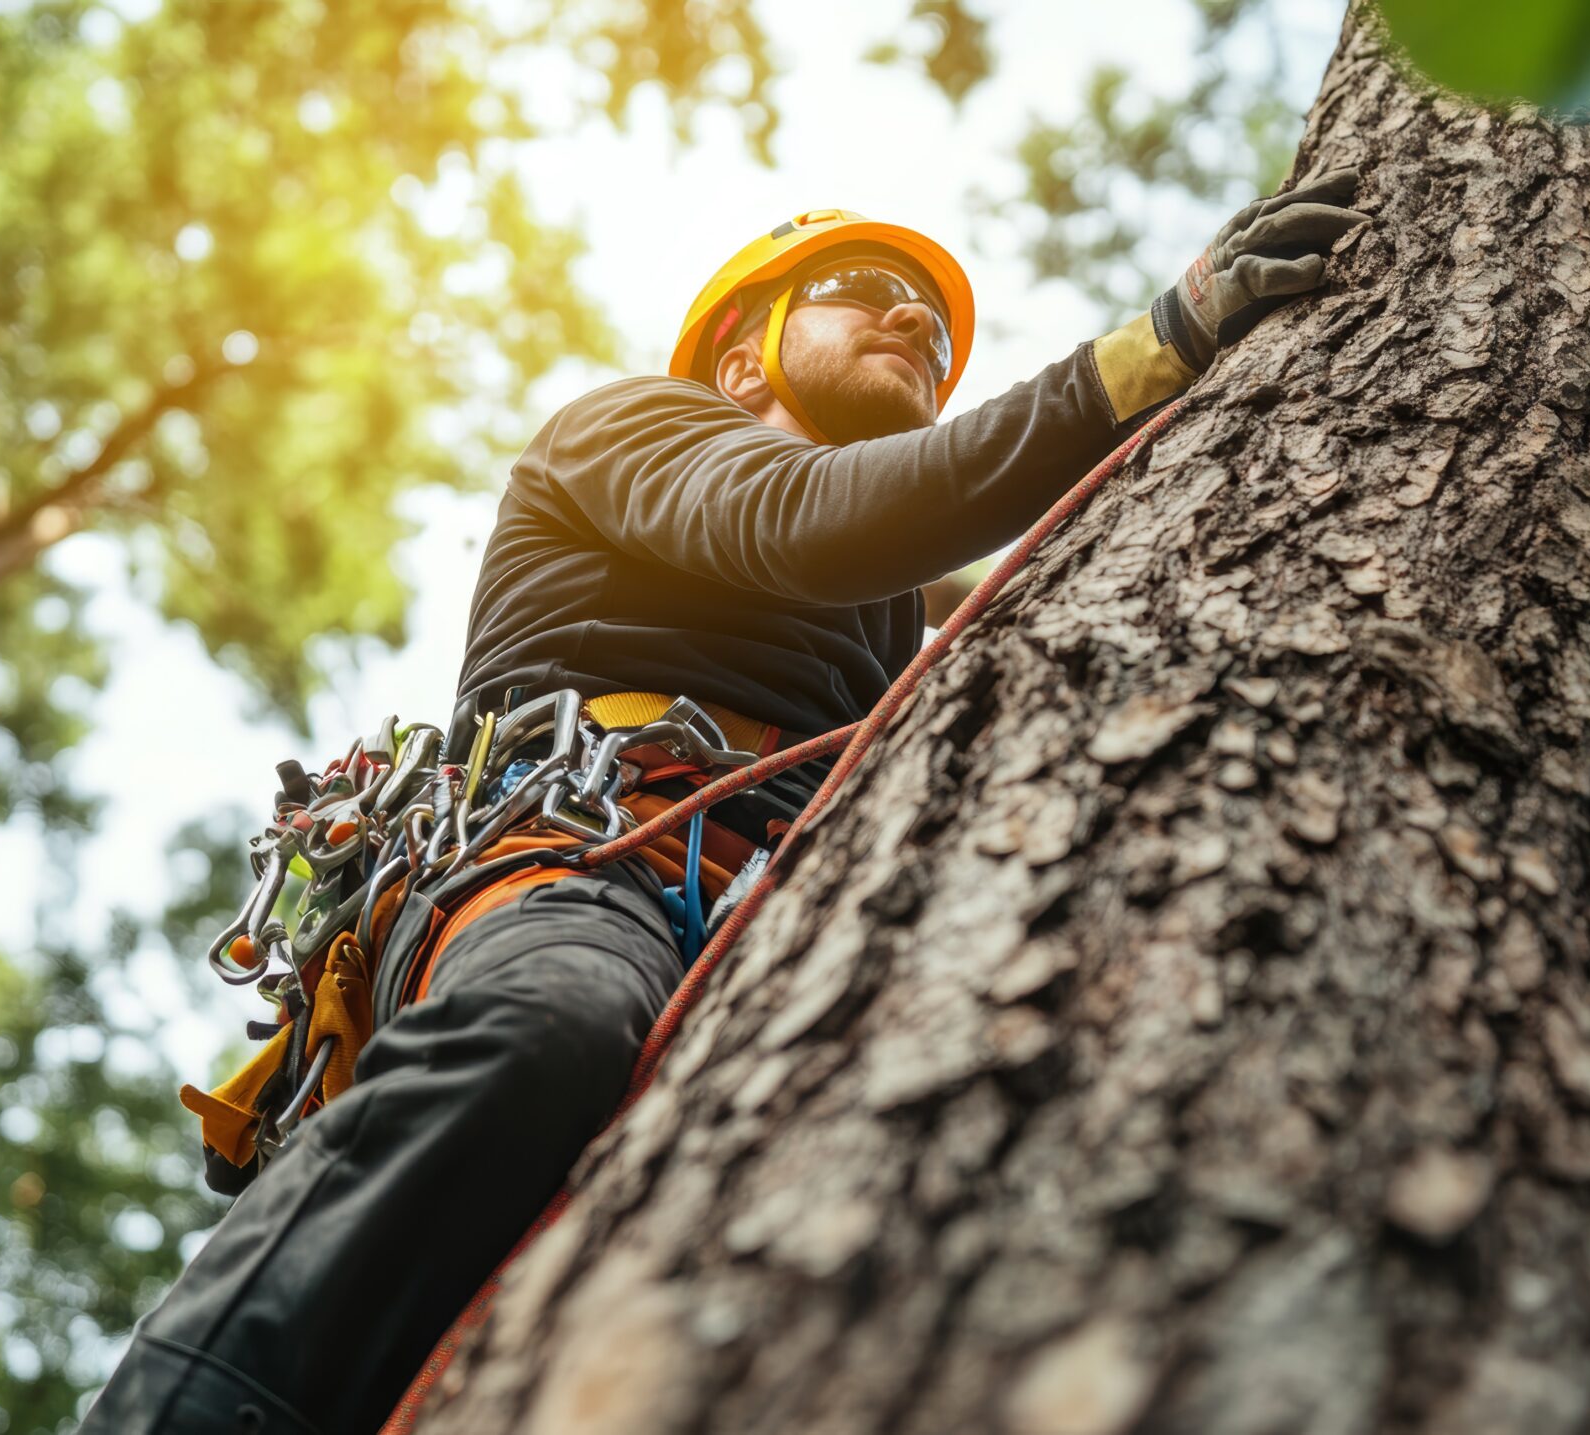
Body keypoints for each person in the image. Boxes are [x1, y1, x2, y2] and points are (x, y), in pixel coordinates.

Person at [84, 170, 1371, 1434]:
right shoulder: (630, 433)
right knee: (550, 1025)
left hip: (784, 915)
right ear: (744, 360)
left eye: (931, 330)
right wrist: (1160, 342)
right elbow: (812, 520)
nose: (915, 325)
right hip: (586, 859)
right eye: (867, 289)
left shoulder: (894, 597)